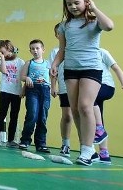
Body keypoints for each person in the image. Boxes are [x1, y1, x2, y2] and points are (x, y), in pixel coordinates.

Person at [51, 0, 114, 166]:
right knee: (75, 109)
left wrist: (94, 8)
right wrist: (55, 64)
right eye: (68, 4)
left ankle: (87, 150)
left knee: (86, 106)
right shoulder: (65, 26)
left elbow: (109, 26)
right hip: (71, 69)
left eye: (76, 2)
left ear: (86, 2)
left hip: (91, 69)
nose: (72, 6)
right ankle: (88, 150)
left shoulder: (94, 22)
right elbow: (62, 50)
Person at [90, 48, 123, 164]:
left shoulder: (102, 52)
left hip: (106, 86)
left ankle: (99, 130)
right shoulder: (83, 53)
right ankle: (104, 154)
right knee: (95, 116)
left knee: (88, 99)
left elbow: (116, 68)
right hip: (93, 86)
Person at [18, 39, 51, 153]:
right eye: (33, 49)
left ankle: (41, 143)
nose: (35, 51)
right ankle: (25, 140)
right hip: (32, 90)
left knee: (42, 117)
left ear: (43, 49)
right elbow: (22, 76)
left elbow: (53, 77)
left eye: (37, 48)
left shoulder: (48, 63)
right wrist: (26, 78)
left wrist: (54, 87)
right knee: (32, 115)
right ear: (30, 51)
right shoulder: (29, 63)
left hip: (45, 90)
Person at [0, 40, 24, 148]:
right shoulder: (1, 61)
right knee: (2, 113)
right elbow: (4, 71)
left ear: (8, 48)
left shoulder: (20, 62)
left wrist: (23, 90)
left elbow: (24, 76)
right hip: (5, 91)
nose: (0, 50)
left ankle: (11, 140)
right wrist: (2, 58)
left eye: (1, 48)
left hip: (16, 91)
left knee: (14, 115)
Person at [49, 23, 73, 158]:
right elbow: (53, 71)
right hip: (64, 88)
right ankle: (65, 144)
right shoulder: (54, 52)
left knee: (84, 115)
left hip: (78, 86)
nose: (61, 34)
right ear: (57, 35)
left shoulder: (75, 49)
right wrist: (53, 86)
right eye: (58, 32)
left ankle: (88, 146)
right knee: (67, 116)